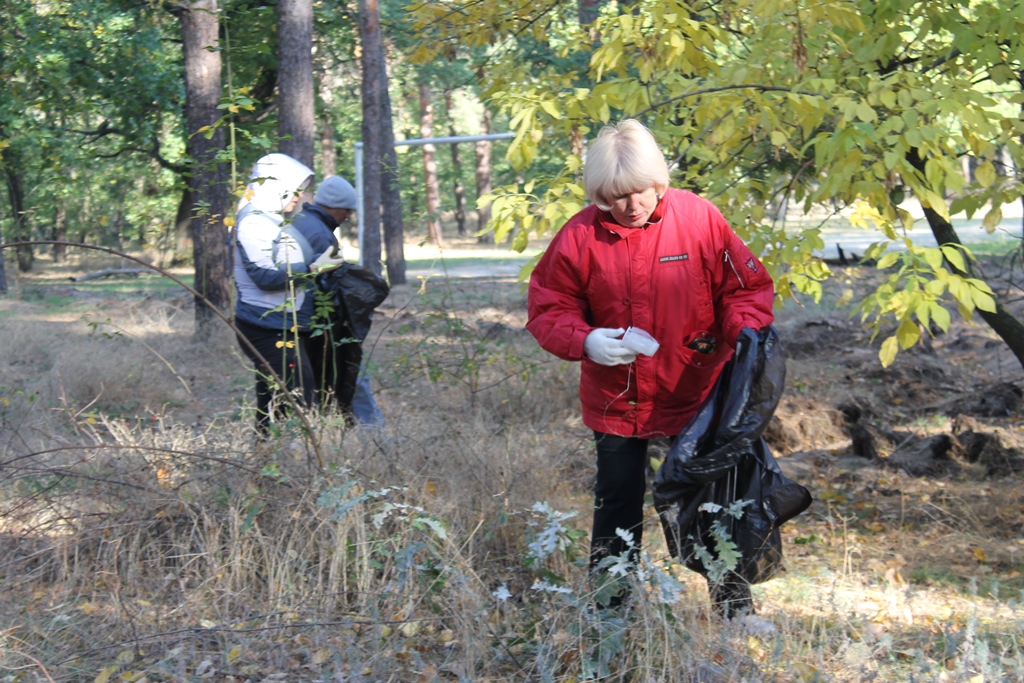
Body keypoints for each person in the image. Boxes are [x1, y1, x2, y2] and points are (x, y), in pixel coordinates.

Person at [525, 120, 775, 613]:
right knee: (617, 501)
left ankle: (734, 609)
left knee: (714, 499)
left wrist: (745, 332)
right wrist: (587, 340)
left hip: (696, 388)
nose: (632, 205)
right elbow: (548, 309)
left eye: (640, 191)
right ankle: (609, 611)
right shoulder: (579, 235)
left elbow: (744, 290)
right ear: (600, 195)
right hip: (617, 396)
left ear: (657, 181)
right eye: (616, 197)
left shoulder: (699, 218)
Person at [233, 153, 345, 436]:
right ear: (274, 186)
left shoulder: (269, 219)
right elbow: (266, 277)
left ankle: (264, 456)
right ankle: (298, 458)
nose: (298, 197)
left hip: (279, 325)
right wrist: (314, 268)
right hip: (266, 327)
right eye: (293, 190)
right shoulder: (254, 223)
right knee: (301, 403)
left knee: (273, 405)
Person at [290, 175, 367, 423]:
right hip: (314, 324)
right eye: (347, 210)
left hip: (297, 321)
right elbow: (325, 285)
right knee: (349, 377)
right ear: (335, 207)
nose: (348, 216)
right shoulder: (321, 235)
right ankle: (368, 431)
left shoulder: (301, 220)